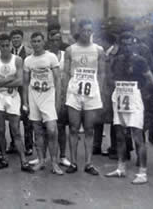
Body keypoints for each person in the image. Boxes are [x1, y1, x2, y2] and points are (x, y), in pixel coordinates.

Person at [105, 32, 153, 184]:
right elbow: (110, 78)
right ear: (120, 45)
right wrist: (114, 84)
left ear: (133, 44)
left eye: (129, 44)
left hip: (134, 100)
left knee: (137, 137)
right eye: (124, 44)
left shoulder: (140, 60)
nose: (127, 47)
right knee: (120, 136)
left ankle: (142, 172)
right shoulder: (117, 60)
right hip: (120, 99)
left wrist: (139, 92)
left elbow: (151, 81)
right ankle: (121, 168)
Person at [63, 19, 106, 175]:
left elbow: (101, 73)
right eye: (85, 30)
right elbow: (66, 73)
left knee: (89, 129)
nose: (87, 33)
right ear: (79, 31)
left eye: (90, 30)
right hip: (74, 92)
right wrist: (65, 93)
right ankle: (73, 162)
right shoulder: (70, 50)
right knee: (73, 128)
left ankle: (88, 163)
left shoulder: (98, 50)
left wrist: (99, 90)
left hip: (91, 93)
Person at [0, 33, 34, 172]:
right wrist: (10, 79)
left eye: (7, 45)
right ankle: (4, 158)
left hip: (13, 96)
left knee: (16, 131)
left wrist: (1, 81)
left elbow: (20, 81)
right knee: (0, 130)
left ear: (10, 45)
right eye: (2, 46)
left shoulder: (18, 60)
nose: (5, 48)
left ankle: (23, 161)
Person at [23, 32, 63, 175]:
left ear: (43, 42)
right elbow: (26, 82)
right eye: (33, 41)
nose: (36, 44)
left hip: (49, 96)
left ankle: (54, 162)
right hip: (34, 96)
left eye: (39, 41)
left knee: (52, 130)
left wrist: (58, 101)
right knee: (38, 131)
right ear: (31, 43)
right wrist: (26, 102)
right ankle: (41, 160)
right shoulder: (28, 60)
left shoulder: (51, 57)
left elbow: (58, 80)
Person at [48, 29, 71, 167]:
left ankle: (62, 156)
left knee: (61, 127)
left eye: (58, 40)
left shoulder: (64, 55)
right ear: (49, 41)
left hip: (62, 95)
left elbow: (68, 74)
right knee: (46, 128)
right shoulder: (44, 55)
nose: (55, 42)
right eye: (53, 40)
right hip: (46, 94)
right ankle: (44, 156)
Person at [10, 29, 34, 156]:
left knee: (26, 118)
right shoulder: (8, 53)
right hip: (12, 90)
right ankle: (13, 144)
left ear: (22, 39)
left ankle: (29, 145)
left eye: (18, 38)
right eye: (13, 38)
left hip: (25, 89)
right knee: (13, 117)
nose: (16, 40)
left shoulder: (29, 53)